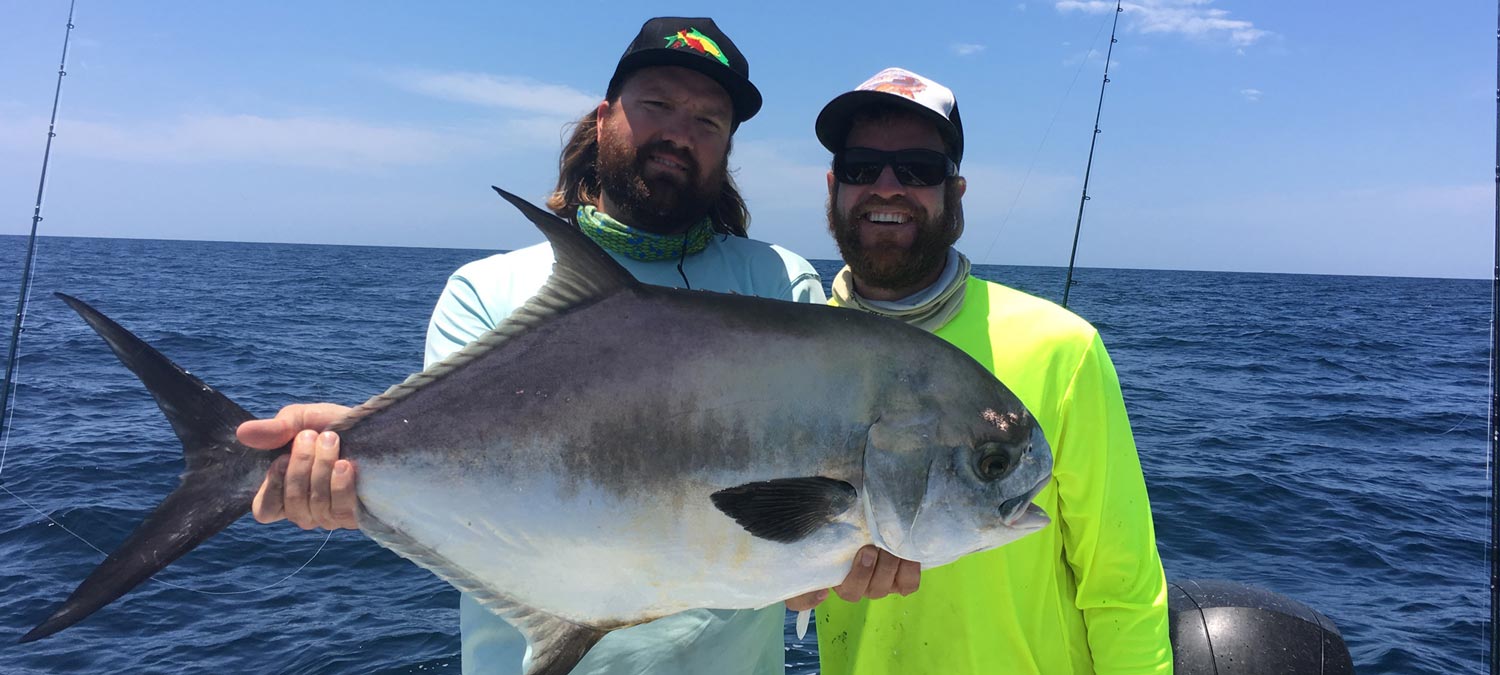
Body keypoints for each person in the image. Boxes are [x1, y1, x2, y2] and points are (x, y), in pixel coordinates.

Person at [235, 17, 825, 675]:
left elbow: (796, 559)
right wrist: (346, 468)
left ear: (727, 149)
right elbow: (466, 479)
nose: (679, 133)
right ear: (605, 117)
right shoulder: (487, 291)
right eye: (657, 104)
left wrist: (846, 555)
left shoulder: (781, 287)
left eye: (709, 121)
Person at [797, 67, 1172, 674]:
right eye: (863, 167)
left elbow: (1121, 586)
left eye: (919, 169)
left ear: (956, 193)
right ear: (834, 186)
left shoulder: (1062, 348)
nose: (887, 187)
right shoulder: (788, 351)